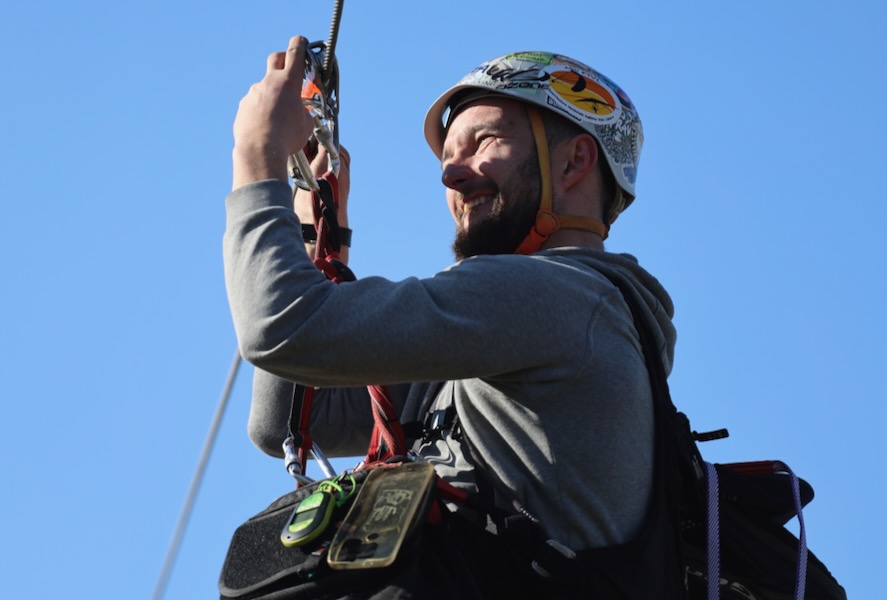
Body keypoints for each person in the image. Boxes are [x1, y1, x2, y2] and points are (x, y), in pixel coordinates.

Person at [225, 36, 677, 597]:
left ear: (574, 162)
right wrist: (315, 234)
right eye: (447, 157)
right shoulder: (525, 340)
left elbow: (281, 329)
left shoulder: (555, 297)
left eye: (484, 141)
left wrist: (258, 158)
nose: (451, 176)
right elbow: (291, 421)